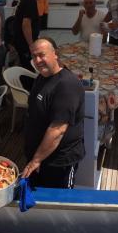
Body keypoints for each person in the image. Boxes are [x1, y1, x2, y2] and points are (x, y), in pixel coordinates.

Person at [22, 38, 85, 188]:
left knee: (60, 202)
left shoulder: (66, 85)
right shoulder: (42, 77)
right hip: (39, 156)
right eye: (34, 56)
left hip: (59, 162)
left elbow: (57, 130)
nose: (37, 60)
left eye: (42, 55)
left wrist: (36, 160)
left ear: (55, 54)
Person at [13, 0, 52, 68]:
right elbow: (26, 24)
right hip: (25, 44)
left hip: (21, 42)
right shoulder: (30, 0)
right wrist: (31, 45)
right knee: (28, 68)